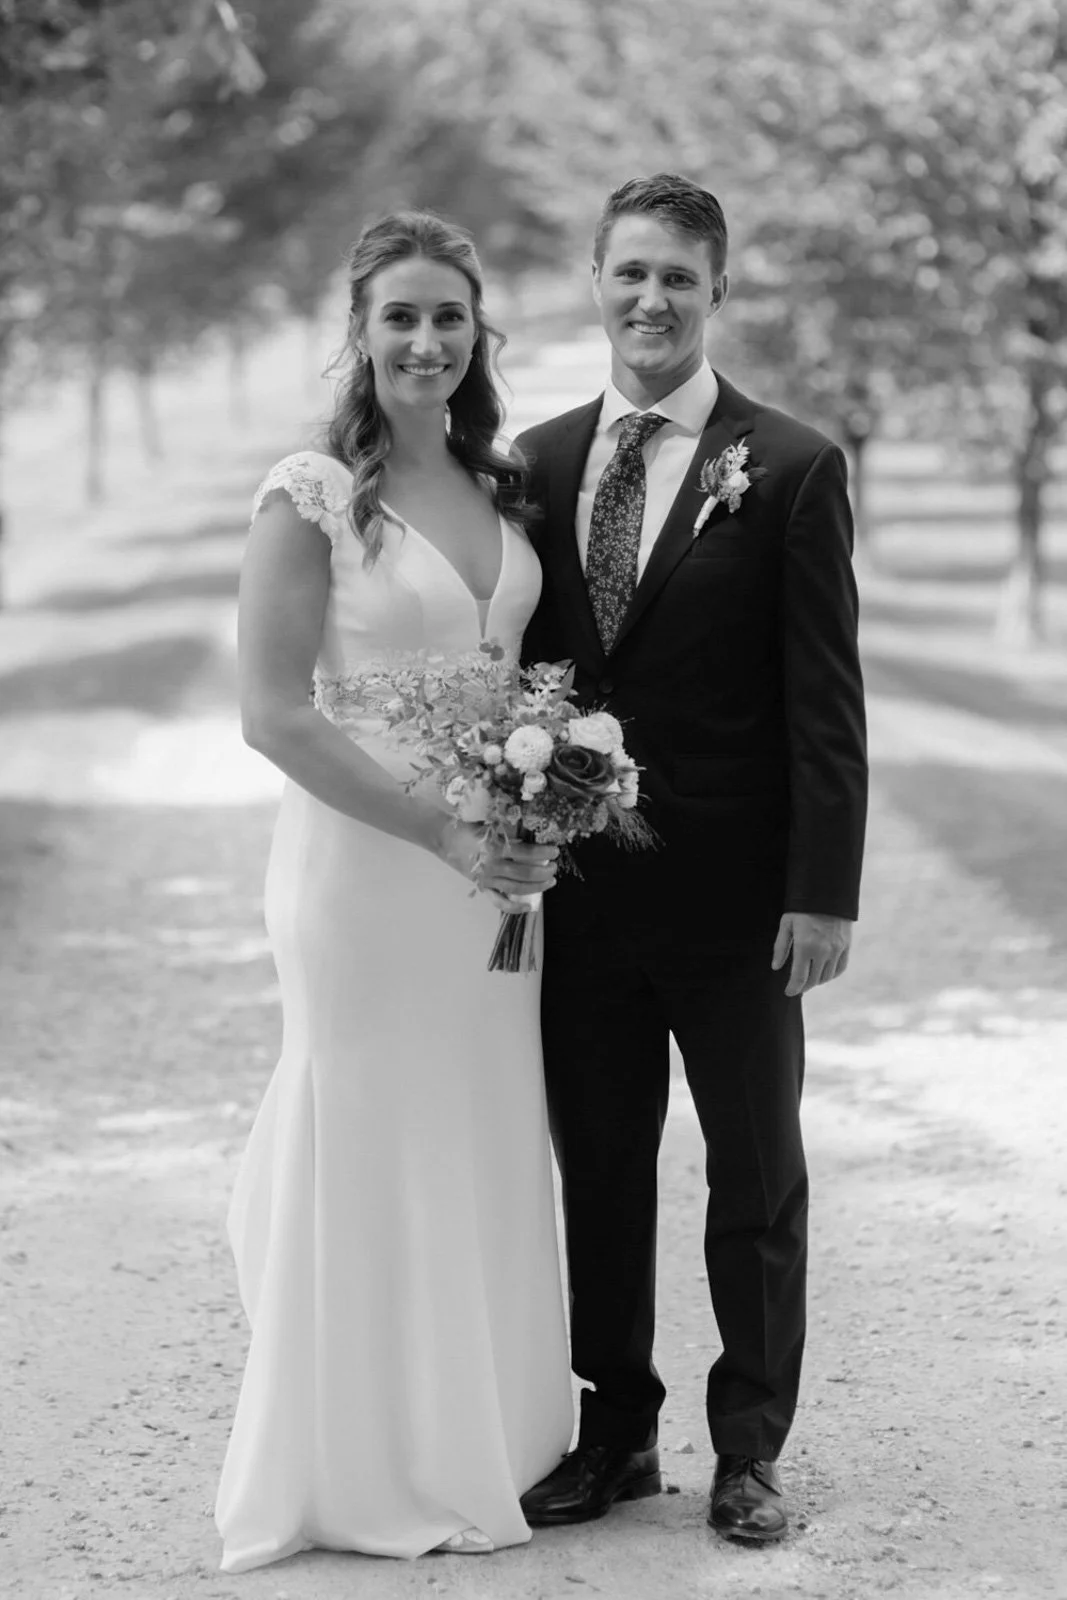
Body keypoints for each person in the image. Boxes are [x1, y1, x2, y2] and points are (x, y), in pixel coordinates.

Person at [214, 210, 573, 1572]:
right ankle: (353, 1465)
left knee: (477, 1130)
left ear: (481, 334)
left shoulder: (499, 485)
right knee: (371, 1131)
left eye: (448, 317)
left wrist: (543, 810)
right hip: (369, 872)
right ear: (358, 337)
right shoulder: (308, 491)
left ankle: (482, 1440)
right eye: (399, 317)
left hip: (491, 882)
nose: (426, 340)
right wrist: (440, 831)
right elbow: (271, 714)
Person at [516, 174, 868, 1544]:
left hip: (737, 903)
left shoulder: (787, 466)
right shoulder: (535, 466)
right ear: (592, 284)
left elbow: (824, 703)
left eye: (676, 276)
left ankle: (748, 1449)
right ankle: (616, 1437)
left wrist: (821, 888)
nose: (649, 300)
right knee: (599, 1164)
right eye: (628, 275)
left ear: (717, 291)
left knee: (753, 1173)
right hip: (585, 900)